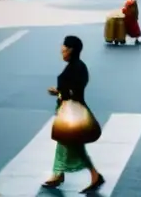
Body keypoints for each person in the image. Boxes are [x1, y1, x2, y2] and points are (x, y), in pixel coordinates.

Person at [42, 36, 105, 192]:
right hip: (69, 111)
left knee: (74, 145)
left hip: (73, 113)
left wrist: (58, 92)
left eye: (63, 49)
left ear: (71, 50)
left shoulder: (76, 68)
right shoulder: (77, 66)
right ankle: (58, 174)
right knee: (63, 143)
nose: (61, 51)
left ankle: (94, 175)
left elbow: (72, 92)